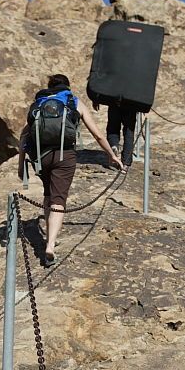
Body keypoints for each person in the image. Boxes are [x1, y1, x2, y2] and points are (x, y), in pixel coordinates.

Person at [18, 74, 124, 266]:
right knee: (59, 198)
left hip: (40, 156)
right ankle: (50, 244)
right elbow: (98, 134)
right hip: (64, 156)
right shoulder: (72, 101)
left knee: (48, 194)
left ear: (49, 86)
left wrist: (20, 166)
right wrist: (111, 154)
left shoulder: (39, 103)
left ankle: (49, 238)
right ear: (67, 86)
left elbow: (24, 135)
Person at [92, 101, 137, 169]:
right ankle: (126, 163)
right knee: (129, 133)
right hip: (131, 103)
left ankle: (113, 145)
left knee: (113, 128)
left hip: (114, 100)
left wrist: (95, 100)